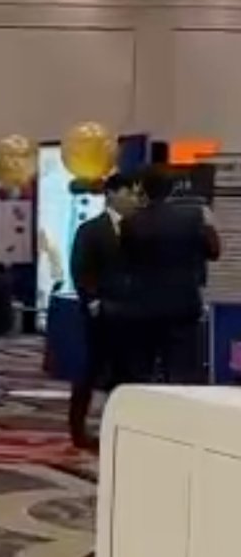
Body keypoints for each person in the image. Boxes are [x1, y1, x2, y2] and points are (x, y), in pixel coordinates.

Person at [120, 165, 223, 384]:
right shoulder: (194, 216)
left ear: (143, 190)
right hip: (183, 304)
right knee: (183, 372)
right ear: (173, 188)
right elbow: (214, 252)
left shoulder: (130, 222)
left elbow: (124, 263)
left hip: (141, 307)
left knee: (141, 372)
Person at [67, 174, 136, 449]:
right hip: (100, 311)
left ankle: (119, 427)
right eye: (128, 193)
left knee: (125, 372)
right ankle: (77, 428)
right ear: (111, 194)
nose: (133, 199)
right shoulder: (91, 230)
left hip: (131, 311)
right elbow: (81, 269)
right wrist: (93, 301)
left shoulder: (139, 229)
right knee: (90, 370)